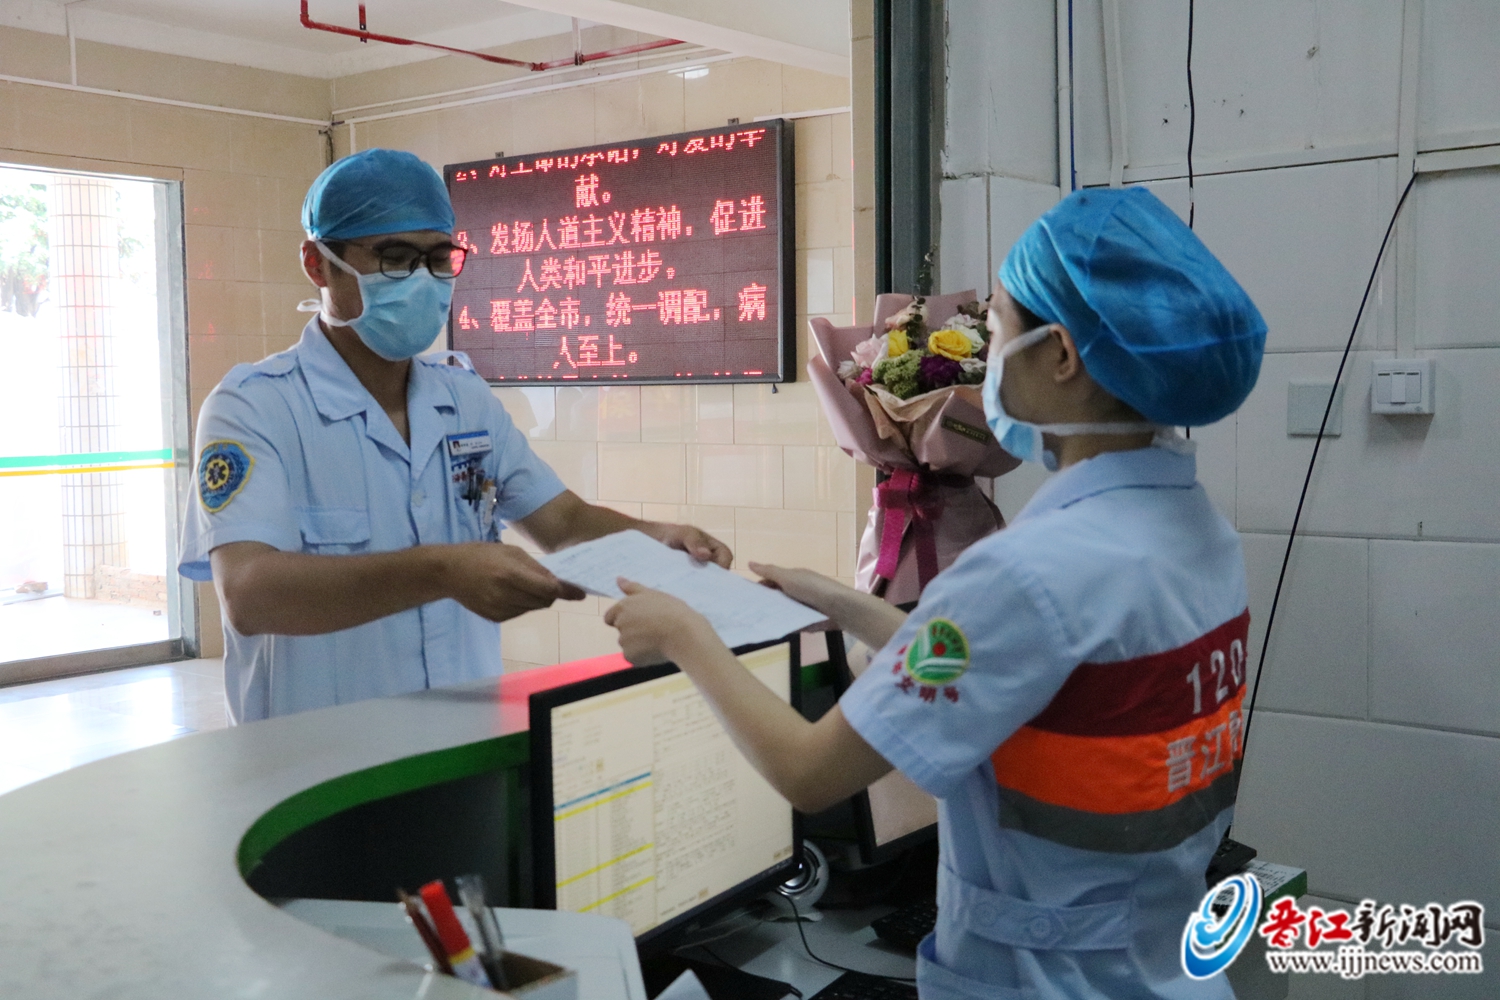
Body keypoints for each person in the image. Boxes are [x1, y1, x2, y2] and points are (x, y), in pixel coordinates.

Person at [605, 187, 1266, 999]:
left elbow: (810, 774)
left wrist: (684, 636)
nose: (991, 353)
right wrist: (844, 603)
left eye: (1001, 327)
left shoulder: (1029, 570)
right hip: (1162, 972)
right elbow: (1021, 667)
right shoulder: (1196, 530)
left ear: (1061, 355)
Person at [179, 148, 730, 723]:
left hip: (467, 740)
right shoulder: (257, 408)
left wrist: (657, 538)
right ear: (319, 265)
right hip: (320, 756)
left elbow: (564, 523)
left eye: (439, 259)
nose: (422, 279)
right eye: (395, 258)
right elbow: (249, 593)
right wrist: (440, 572)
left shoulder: (463, 399)